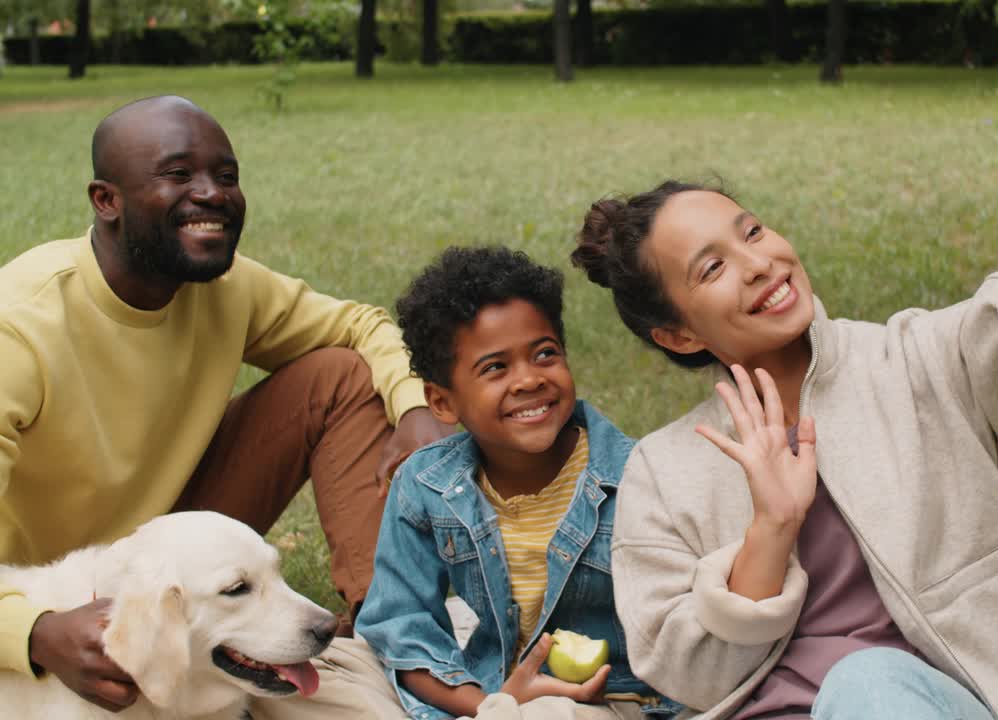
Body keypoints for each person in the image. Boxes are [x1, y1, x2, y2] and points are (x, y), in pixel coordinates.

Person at [568, 3, 998, 720]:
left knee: (868, 685)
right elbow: (685, 674)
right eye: (712, 268)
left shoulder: (913, 362)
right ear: (677, 334)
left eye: (753, 231)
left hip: (946, 704)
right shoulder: (665, 471)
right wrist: (772, 527)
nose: (761, 264)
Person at [0, 95, 451, 714]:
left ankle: (394, 636)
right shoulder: (18, 329)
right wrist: (32, 633)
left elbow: (360, 326)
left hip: (186, 551)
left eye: (228, 176)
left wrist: (414, 410)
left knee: (340, 376)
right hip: (54, 589)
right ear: (106, 200)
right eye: (179, 175)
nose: (213, 194)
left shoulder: (226, 285)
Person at [356, 246, 682, 720]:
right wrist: (490, 705)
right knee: (330, 671)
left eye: (545, 354)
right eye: (495, 368)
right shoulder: (426, 485)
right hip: (489, 694)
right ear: (442, 403)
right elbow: (401, 629)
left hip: (613, 702)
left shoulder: (639, 475)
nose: (529, 380)